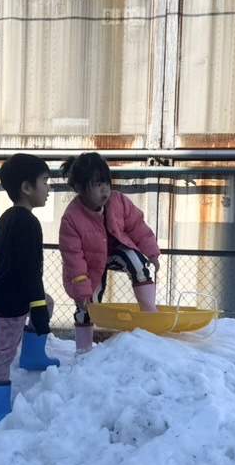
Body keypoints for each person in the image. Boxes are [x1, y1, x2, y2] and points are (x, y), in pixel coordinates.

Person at [0, 153, 59, 429]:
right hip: (10, 298)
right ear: (27, 187)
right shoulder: (27, 222)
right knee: (3, 352)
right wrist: (35, 306)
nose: (48, 188)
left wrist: (39, 303)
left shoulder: (8, 217)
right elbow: (29, 269)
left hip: (11, 290)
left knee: (48, 302)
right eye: (45, 181)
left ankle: (32, 356)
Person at [58, 151, 162, 352]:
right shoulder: (71, 218)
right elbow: (74, 258)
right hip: (88, 265)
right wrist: (81, 291)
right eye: (98, 185)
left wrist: (152, 253)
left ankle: (149, 312)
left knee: (136, 261)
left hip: (115, 252)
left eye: (107, 183)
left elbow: (137, 226)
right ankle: (83, 350)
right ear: (80, 188)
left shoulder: (118, 201)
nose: (105, 190)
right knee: (88, 304)